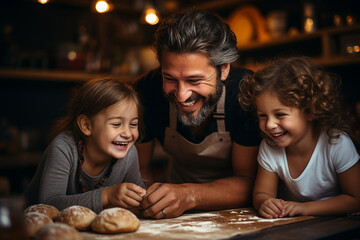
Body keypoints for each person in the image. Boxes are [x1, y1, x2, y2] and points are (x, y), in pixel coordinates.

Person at [134, 9, 261, 219]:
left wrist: (189, 195)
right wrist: (147, 203)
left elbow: (247, 180)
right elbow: (140, 173)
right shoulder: (146, 91)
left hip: (238, 212)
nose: (182, 96)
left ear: (224, 70)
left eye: (194, 80)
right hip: (173, 212)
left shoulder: (246, 94)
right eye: (170, 78)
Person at [238, 56, 360, 218]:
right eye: (263, 116)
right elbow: (262, 193)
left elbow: (356, 199)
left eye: (280, 114)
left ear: (309, 111)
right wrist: (265, 203)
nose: (269, 125)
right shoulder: (270, 146)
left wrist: (306, 208)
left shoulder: (336, 143)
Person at [25, 78, 146, 213]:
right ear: (86, 125)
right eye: (117, 124)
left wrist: (146, 198)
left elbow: (138, 195)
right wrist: (107, 195)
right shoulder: (63, 148)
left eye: (133, 124)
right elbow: (48, 203)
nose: (128, 134)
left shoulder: (129, 154)